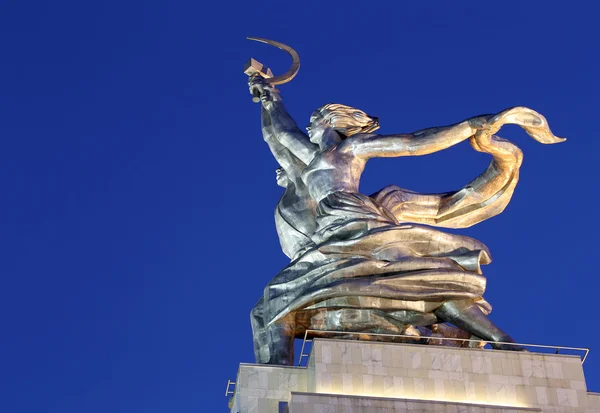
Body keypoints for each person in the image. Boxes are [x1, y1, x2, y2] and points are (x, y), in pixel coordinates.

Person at [248, 75, 564, 365]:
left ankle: (503, 341)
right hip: (331, 228)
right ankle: (278, 366)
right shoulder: (312, 157)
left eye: (313, 121)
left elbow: (414, 143)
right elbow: (278, 133)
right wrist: (269, 98)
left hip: (356, 218)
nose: (309, 128)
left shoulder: (353, 147)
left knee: (415, 276)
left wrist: (469, 126)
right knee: (278, 295)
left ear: (328, 122)